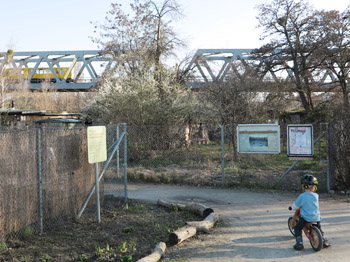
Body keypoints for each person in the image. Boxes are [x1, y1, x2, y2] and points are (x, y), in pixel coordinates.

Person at [291, 174, 331, 251]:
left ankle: (299, 243)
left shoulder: (302, 196)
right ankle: (324, 240)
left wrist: (291, 207)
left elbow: (295, 206)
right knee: (319, 228)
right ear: (314, 187)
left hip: (306, 218)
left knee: (297, 228)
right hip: (316, 217)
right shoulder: (316, 195)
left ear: (303, 186)